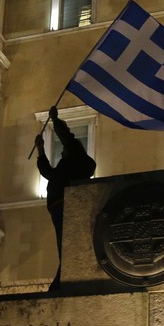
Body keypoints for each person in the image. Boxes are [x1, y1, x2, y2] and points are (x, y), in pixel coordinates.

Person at [35, 106, 96, 291]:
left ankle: (63, 281)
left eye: (64, 151)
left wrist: (55, 120)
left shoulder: (77, 160)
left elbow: (67, 138)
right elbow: (48, 173)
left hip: (65, 205)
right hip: (57, 206)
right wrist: (41, 150)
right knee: (63, 243)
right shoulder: (65, 166)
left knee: (66, 244)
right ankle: (62, 278)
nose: (61, 153)